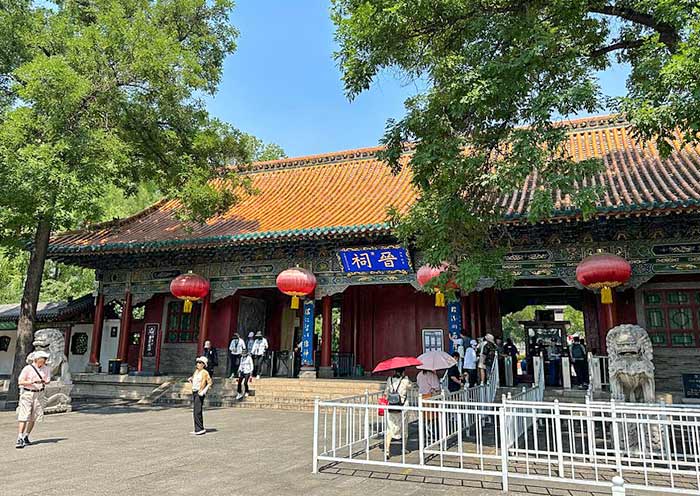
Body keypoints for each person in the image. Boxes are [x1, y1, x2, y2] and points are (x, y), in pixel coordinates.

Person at [16, 351, 51, 449]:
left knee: (34, 416)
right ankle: (19, 437)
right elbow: (20, 381)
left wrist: (45, 381)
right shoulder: (28, 368)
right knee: (24, 415)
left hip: (39, 393)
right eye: (43, 359)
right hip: (28, 393)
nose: (44, 361)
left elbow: (48, 380)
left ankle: (26, 436)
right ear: (37, 359)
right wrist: (32, 381)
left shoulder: (47, 369)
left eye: (45, 359)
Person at [384, 368, 411, 458]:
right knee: (404, 428)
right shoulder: (406, 380)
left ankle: (387, 450)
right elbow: (411, 387)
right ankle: (403, 448)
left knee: (389, 428)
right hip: (403, 407)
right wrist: (406, 378)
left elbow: (386, 393)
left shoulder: (389, 380)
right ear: (403, 372)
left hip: (391, 406)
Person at [187, 356, 212, 435]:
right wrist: (191, 379)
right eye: (197, 362)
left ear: (204, 364)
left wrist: (204, 391)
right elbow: (194, 380)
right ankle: (197, 428)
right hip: (194, 391)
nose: (198, 364)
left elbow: (210, 382)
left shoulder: (205, 372)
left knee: (197, 410)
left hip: (199, 392)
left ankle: (200, 428)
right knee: (195, 410)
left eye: (200, 363)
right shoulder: (196, 371)